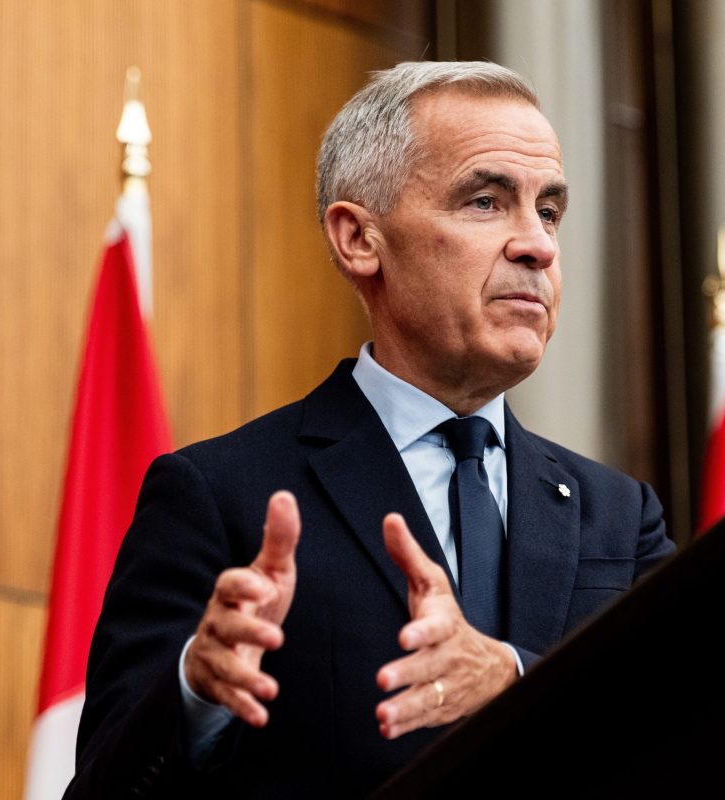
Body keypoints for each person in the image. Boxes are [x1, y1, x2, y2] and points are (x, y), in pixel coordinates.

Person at [64, 61, 674, 798]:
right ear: (359, 239)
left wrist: (510, 676)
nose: (537, 246)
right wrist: (196, 695)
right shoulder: (222, 498)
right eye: (485, 202)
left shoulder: (622, 519)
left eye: (548, 211)